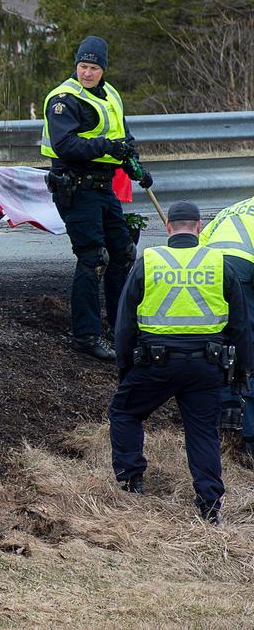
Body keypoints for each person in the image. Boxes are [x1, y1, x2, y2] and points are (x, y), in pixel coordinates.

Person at [109, 201, 252, 524]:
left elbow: (125, 323)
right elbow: (241, 325)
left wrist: (125, 367)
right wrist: (241, 371)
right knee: (202, 432)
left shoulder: (150, 261)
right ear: (200, 227)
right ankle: (210, 505)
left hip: (156, 363)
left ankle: (132, 481)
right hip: (206, 366)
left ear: (168, 227)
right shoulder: (219, 263)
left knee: (124, 412)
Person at [41, 35, 153, 361]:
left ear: (103, 69)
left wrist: (134, 166)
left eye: (93, 68)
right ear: (76, 65)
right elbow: (65, 145)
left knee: (123, 252)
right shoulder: (64, 98)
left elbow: (123, 137)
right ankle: (86, 335)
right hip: (75, 186)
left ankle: (120, 326)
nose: (87, 73)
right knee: (92, 258)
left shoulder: (110, 95)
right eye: (82, 66)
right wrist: (107, 147)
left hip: (104, 187)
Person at [200, 193, 254, 462]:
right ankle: (250, 436)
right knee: (249, 340)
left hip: (210, 268)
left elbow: (201, 242)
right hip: (244, 269)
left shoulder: (233, 208)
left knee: (223, 339)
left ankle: (228, 411)